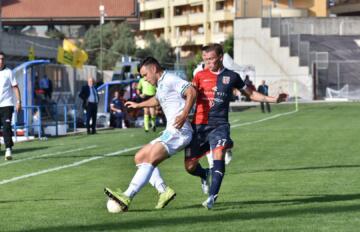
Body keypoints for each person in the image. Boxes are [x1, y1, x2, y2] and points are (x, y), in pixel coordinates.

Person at [184, 43, 287, 209]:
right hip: (199, 125)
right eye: (205, 59)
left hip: (220, 125)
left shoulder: (232, 76)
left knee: (218, 155)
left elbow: (251, 94)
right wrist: (183, 112)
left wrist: (274, 99)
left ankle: (212, 197)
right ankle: (204, 174)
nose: (208, 62)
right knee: (189, 166)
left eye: (211, 59)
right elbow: (189, 95)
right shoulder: (199, 76)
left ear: (220, 57)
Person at [104, 57, 197, 211]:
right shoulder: (161, 84)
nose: (145, 79)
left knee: (151, 158)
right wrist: (138, 105)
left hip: (180, 131)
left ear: (153, 69)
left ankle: (127, 195)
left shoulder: (170, 79)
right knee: (140, 157)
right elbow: (158, 100)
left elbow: (191, 91)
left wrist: (184, 114)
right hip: (170, 131)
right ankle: (163, 191)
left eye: (145, 75)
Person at [192, 45, 232, 169]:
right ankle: (212, 163)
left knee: (214, 142)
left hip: (218, 116)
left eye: (208, 56)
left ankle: (225, 148)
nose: (206, 58)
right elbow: (194, 90)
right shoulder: (198, 72)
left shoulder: (224, 72)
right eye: (204, 56)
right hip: (202, 114)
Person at [0, 51, 22, 160]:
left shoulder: (9, 72)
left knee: (6, 127)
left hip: (7, 105)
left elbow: (15, 87)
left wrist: (18, 102)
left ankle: (8, 149)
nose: (1, 61)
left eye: (2, 59)